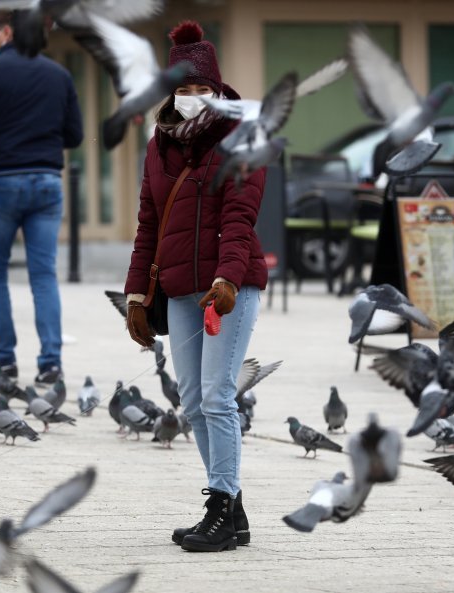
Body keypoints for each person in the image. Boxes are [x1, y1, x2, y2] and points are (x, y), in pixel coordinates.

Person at [124, 21, 267, 553]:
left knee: (217, 395)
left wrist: (228, 277)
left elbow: (240, 215)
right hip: (179, 288)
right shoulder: (159, 143)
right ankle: (231, 508)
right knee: (190, 399)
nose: (190, 100)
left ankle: (222, 508)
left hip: (228, 286)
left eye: (199, 90)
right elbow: (147, 224)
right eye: (181, 91)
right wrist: (137, 295)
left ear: (218, 90)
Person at [0, 9, 82, 385]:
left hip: (0, 179)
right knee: (44, 275)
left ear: (8, 33)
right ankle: (50, 363)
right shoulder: (59, 75)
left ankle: (3, 359)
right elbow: (75, 135)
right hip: (47, 181)